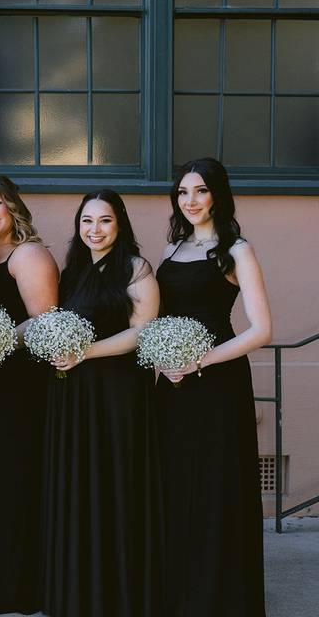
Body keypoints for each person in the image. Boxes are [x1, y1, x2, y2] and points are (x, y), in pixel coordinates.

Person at [156, 157, 271, 617]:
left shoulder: (237, 250)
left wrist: (200, 359)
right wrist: (163, 361)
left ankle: (219, 599)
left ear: (217, 195)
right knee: (175, 484)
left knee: (216, 487)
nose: (191, 201)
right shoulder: (169, 250)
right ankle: (180, 596)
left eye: (200, 191)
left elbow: (261, 330)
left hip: (218, 382)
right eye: (183, 192)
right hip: (172, 383)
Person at [41, 189, 162, 617]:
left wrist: (84, 353)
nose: (95, 229)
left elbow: (143, 330)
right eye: (87, 221)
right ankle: (79, 593)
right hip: (73, 396)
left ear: (120, 224)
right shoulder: (72, 272)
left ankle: (117, 596)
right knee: (79, 489)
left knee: (113, 487)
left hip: (116, 395)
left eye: (105, 220)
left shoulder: (135, 268)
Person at [0, 175, 58, 615]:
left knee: (12, 478)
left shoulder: (29, 254)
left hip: (18, 383)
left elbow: (45, 320)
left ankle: (15, 587)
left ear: (14, 207)